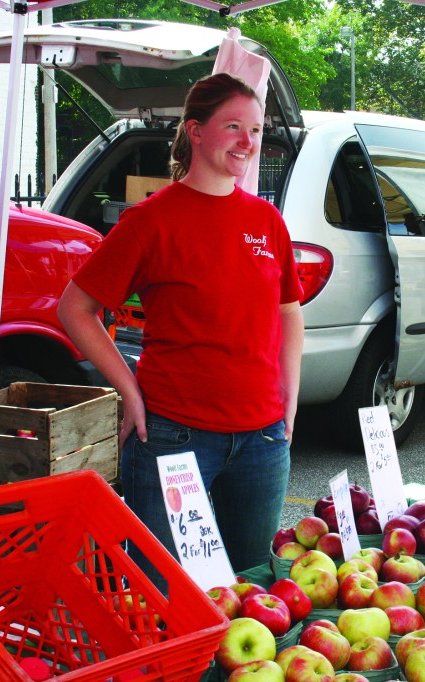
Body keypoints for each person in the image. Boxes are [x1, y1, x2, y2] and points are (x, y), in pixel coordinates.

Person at [57, 73, 304, 587]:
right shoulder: (150, 221)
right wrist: (129, 390)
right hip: (173, 434)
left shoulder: (267, 221)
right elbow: (75, 308)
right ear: (195, 131)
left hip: (262, 439)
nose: (247, 142)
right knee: (162, 590)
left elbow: (288, 311)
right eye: (233, 126)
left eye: (256, 131)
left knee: (252, 588)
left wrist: (290, 399)